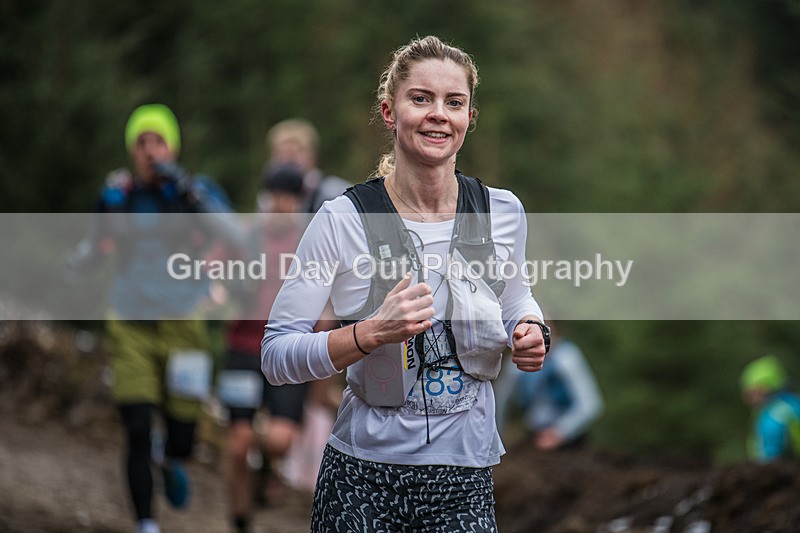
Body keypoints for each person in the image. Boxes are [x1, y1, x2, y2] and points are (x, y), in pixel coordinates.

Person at [262, 35, 548, 531]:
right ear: (390, 112)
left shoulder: (503, 211)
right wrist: (367, 334)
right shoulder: (341, 220)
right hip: (361, 478)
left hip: (465, 479)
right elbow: (276, 355)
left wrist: (531, 329)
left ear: (468, 119)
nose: (439, 113)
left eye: (454, 102)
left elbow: (517, 295)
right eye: (421, 98)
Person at [65, 103, 242, 533]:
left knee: (183, 434)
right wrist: (77, 263)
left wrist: (187, 191)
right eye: (140, 143)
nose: (149, 151)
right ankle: (146, 523)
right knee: (138, 424)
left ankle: (171, 457)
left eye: (157, 141)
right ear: (131, 150)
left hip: (185, 323)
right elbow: (91, 250)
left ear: (173, 147)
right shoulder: (118, 195)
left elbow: (237, 235)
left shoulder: (195, 190)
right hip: (129, 322)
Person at [218, 165, 310, 533]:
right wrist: (219, 291)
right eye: (275, 195)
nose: (281, 204)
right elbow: (211, 271)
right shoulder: (244, 237)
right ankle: (239, 520)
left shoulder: (309, 241)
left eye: (288, 196)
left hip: (288, 351)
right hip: (242, 348)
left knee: (280, 439)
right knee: (238, 442)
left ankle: (267, 466)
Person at [502, 323, 604, 450]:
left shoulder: (567, 358)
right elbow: (500, 403)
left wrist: (560, 431)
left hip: (571, 439)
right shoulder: (515, 365)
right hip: (533, 437)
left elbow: (589, 404)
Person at [263, 118, 351, 213]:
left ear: (312, 156)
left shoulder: (333, 192)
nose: (289, 159)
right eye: (282, 153)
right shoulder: (268, 197)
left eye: (296, 152)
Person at [740, 355, 800, 462]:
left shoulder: (776, 414)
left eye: (752, 389)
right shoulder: (791, 404)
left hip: (784, 473)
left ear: (766, 387)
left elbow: (770, 456)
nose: (747, 395)